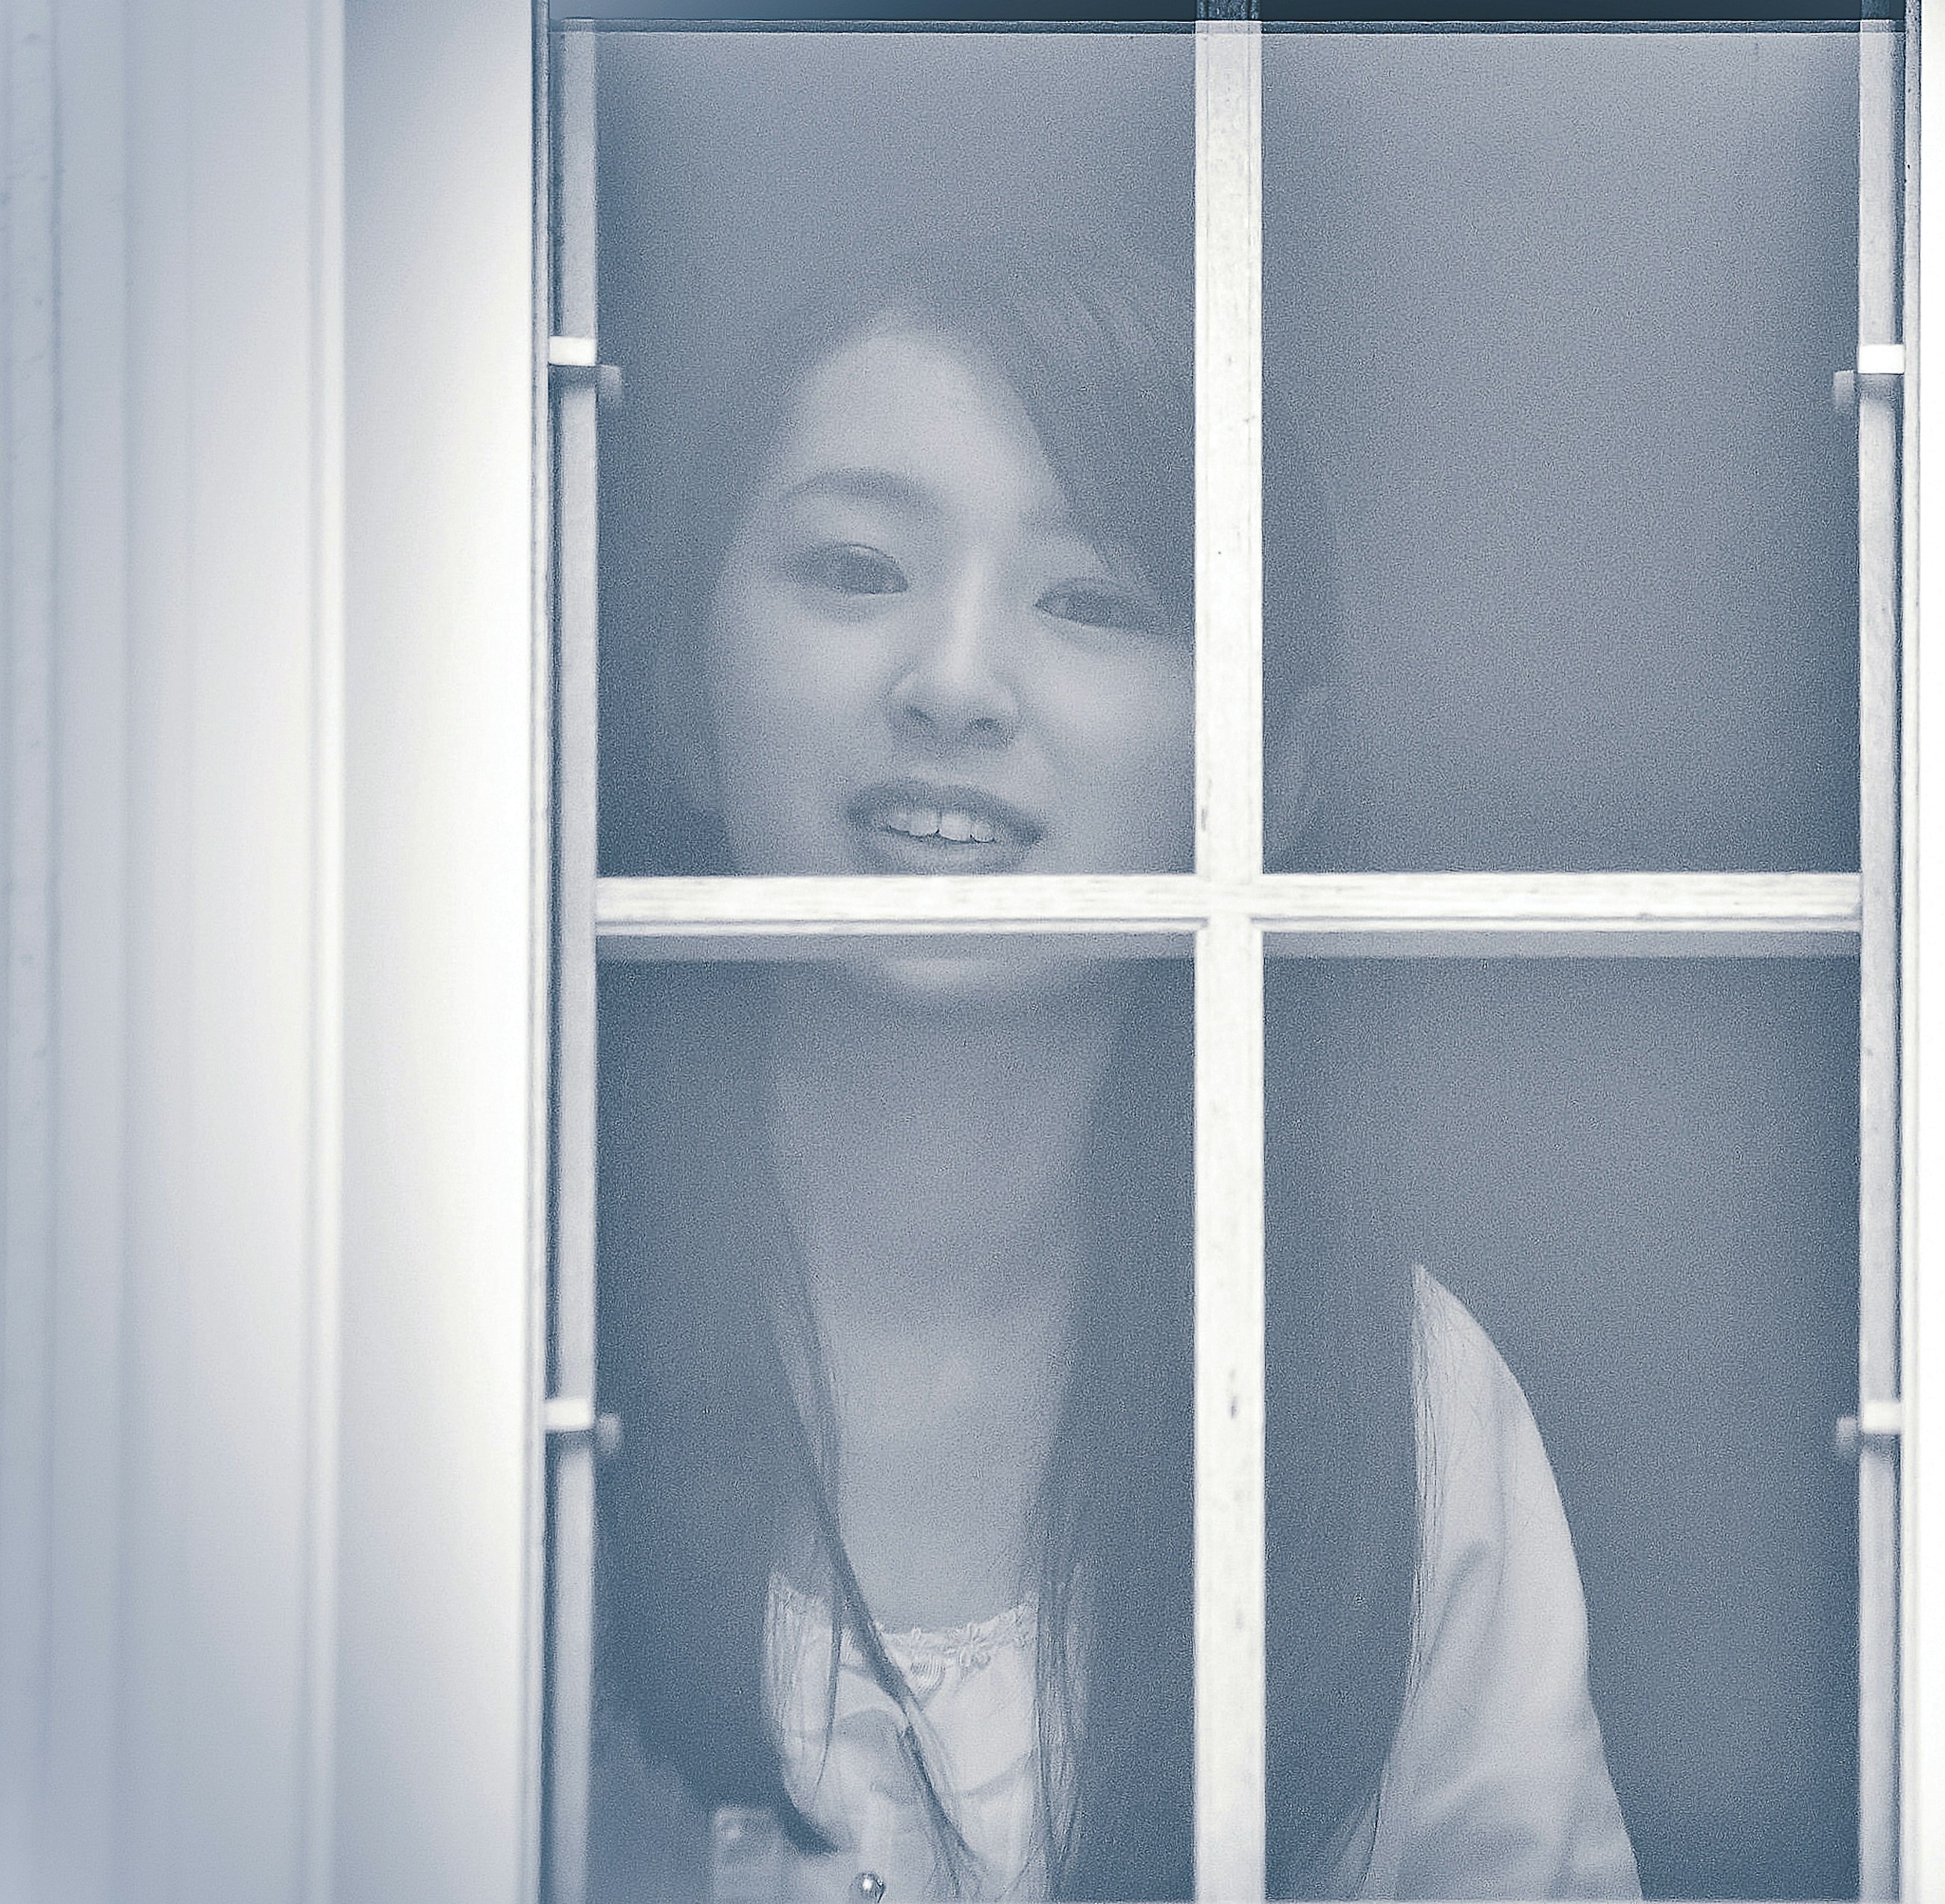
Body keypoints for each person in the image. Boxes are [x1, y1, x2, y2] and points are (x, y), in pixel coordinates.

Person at [587, 232, 1641, 1904]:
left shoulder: (1391, 1405)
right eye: (857, 568)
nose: (952, 685)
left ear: (1269, 782)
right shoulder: (480, 1348)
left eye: (1093, 598)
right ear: (670, 701)